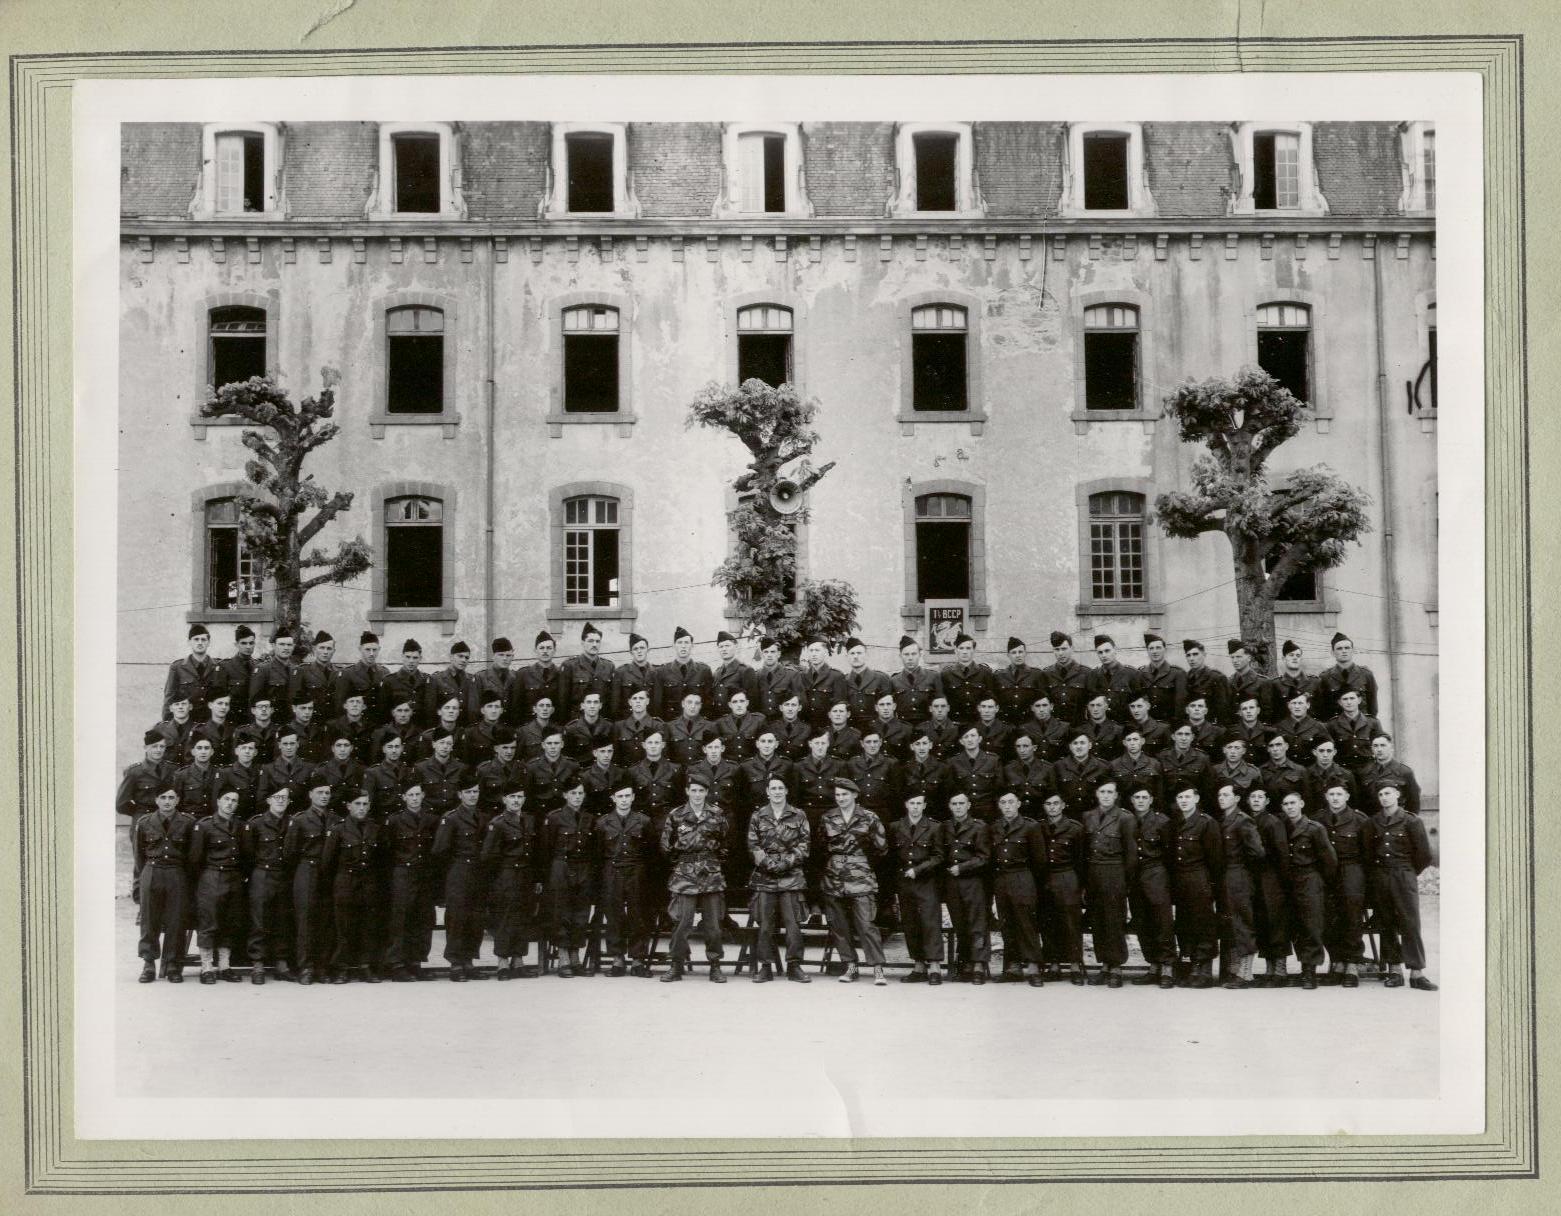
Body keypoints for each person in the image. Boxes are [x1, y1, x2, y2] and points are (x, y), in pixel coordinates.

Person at [817, 778, 889, 985]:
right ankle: (850, 966)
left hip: (861, 877)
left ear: (855, 795)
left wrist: (861, 861)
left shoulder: (869, 817)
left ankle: (877, 968)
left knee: (866, 924)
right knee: (839, 926)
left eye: (845, 794)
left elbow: (881, 848)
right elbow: (822, 845)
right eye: (838, 795)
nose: (841, 798)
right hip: (834, 877)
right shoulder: (827, 817)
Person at [659, 774, 729, 982]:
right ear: (687, 791)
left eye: (701, 791)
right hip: (684, 873)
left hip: (711, 873)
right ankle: (676, 964)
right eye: (694, 790)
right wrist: (682, 863)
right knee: (682, 921)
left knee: (714, 924)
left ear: (707, 792)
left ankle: (715, 965)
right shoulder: (676, 815)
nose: (697, 795)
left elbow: (726, 844)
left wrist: (712, 861)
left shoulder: (717, 814)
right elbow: (666, 846)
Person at [1370, 784, 1437, 990]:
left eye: (1388, 793)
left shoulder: (1411, 821)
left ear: (1397, 795)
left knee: (1410, 922)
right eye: (1380, 794)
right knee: (1387, 922)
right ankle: (1394, 971)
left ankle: (1417, 972)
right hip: (1382, 876)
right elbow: (1368, 853)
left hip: (1404, 874)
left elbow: (1424, 854)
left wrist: (1408, 872)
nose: (1384, 797)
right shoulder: (1373, 823)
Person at [746, 775, 812, 983]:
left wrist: (785, 863)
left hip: (791, 877)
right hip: (765, 877)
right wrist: (768, 864)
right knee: (765, 924)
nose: (776, 792)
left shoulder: (799, 815)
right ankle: (766, 966)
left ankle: (794, 965)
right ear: (767, 792)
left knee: (793, 924)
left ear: (786, 791)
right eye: (772, 788)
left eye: (780, 788)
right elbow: (753, 845)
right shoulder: (758, 816)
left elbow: (804, 845)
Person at [131, 782, 196, 983]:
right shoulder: (144, 822)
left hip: (177, 874)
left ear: (177, 800)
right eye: (163, 798)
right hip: (152, 871)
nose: (167, 802)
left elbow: (192, 856)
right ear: (156, 800)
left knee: (176, 920)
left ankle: (173, 965)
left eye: (171, 798)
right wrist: (143, 879)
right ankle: (148, 963)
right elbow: (138, 855)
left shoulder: (188, 822)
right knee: (150, 919)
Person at [595, 779, 657, 978]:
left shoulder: (644, 821)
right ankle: (617, 959)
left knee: (638, 914)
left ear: (633, 797)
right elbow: (597, 854)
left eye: (627, 796)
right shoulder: (603, 822)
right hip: (611, 871)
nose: (623, 800)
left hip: (636, 871)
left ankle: (638, 959)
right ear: (613, 798)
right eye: (620, 796)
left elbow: (652, 851)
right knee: (614, 915)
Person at [1277, 790, 1339, 989]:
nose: (1290, 807)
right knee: (1294, 925)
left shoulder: (1314, 828)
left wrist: (1319, 882)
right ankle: (1304, 965)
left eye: (1293, 803)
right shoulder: (1280, 827)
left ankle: (1309, 971)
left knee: (1311, 925)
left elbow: (1329, 860)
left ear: (1302, 804)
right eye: (1286, 804)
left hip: (1309, 879)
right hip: (1288, 880)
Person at [322, 788, 385, 983]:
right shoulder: (338, 829)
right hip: (345, 883)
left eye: (365, 804)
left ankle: (365, 966)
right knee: (344, 927)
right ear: (348, 806)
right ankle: (341, 968)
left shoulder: (375, 828)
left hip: (368, 883)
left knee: (368, 926)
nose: (361, 808)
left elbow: (382, 861)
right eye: (357, 804)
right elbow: (327, 862)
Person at [1318, 780, 1376, 988]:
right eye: (1331, 794)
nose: (1335, 798)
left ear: (1347, 797)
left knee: (1352, 915)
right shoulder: (1318, 819)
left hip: (1351, 869)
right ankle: (1337, 962)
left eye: (1339, 794)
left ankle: (1352, 963)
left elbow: (1369, 853)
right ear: (1326, 797)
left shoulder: (1360, 820)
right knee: (1327, 914)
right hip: (1326, 872)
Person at [482, 781, 542, 980]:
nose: (516, 801)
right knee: (505, 917)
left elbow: (535, 853)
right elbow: (488, 856)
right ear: (504, 799)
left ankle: (519, 960)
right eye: (512, 797)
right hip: (505, 875)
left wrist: (537, 879)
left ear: (524, 799)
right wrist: (496, 880)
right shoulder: (497, 823)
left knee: (524, 915)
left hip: (526, 874)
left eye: (519, 797)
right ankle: (502, 962)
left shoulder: (529, 820)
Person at [383, 782, 442, 981]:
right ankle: (397, 964)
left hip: (425, 875)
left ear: (423, 795)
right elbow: (387, 850)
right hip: (403, 874)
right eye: (411, 794)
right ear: (404, 797)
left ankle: (416, 962)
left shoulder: (432, 820)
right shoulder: (395, 820)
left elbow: (436, 849)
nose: (415, 798)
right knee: (401, 918)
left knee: (423, 917)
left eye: (418, 794)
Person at [189, 783, 248, 984]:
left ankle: (224, 966)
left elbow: (246, 856)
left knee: (229, 922)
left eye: (234, 801)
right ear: (218, 802)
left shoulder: (241, 826)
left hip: (234, 878)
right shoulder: (205, 825)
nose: (231, 804)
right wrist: (205, 880)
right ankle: (206, 968)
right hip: (212, 877)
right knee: (208, 922)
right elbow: (195, 859)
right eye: (227, 800)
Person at [1167, 783, 1224, 988]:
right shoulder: (1174, 823)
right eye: (1180, 797)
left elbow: (1215, 859)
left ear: (1196, 799)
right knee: (1184, 923)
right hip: (1181, 879)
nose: (1183, 801)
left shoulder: (1207, 823)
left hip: (1200, 878)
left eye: (1187, 797)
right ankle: (1190, 964)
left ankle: (1204, 968)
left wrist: (1212, 886)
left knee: (1203, 923)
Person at [1082, 779, 1137, 987]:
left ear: (1116, 795)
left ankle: (1116, 967)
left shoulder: (1125, 818)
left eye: (1110, 792)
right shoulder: (1088, 817)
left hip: (1114, 872)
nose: (1105, 795)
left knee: (1114, 920)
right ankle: (1104, 964)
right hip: (1093, 872)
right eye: (1102, 791)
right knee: (1098, 920)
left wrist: (1125, 881)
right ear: (1097, 794)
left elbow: (1131, 854)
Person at [434, 777, 489, 981]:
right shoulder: (451, 818)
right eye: (468, 792)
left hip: (479, 871)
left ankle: (469, 960)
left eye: (475, 792)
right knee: (457, 916)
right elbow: (440, 850)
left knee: (476, 917)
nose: (472, 795)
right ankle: (456, 963)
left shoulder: (484, 817)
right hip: (458, 871)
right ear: (459, 795)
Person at [284, 777, 338, 984]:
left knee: (326, 920)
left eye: (327, 793)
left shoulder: (335, 819)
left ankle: (322, 967)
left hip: (329, 872)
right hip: (307, 869)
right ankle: (305, 967)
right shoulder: (299, 820)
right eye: (320, 792)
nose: (324, 796)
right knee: (305, 921)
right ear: (310, 795)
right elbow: (290, 852)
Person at [989, 790, 1045, 986]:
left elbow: (1039, 861)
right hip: (1001, 878)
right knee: (1007, 923)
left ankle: (1033, 968)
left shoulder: (1030, 826)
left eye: (1011, 802)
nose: (1007, 806)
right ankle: (1012, 967)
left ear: (1019, 804)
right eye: (1003, 802)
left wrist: (1030, 883)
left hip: (1022, 877)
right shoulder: (995, 827)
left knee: (1026, 923)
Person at [890, 792, 946, 984]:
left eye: (918, 803)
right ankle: (919, 966)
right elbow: (893, 855)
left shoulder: (935, 827)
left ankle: (935, 967)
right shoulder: (896, 826)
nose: (915, 807)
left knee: (930, 922)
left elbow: (939, 856)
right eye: (911, 803)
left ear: (924, 806)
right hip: (904, 881)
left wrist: (919, 869)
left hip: (926, 881)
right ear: (906, 804)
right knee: (910, 922)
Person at [543, 777, 596, 977]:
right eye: (573, 793)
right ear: (565, 795)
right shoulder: (554, 817)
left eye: (580, 793)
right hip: (561, 866)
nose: (577, 797)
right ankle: (563, 956)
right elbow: (545, 849)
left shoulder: (589, 818)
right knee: (561, 911)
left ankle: (576, 957)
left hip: (583, 867)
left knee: (581, 913)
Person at [1215, 781, 1266, 989]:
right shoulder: (1223, 819)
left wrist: (1245, 871)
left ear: (1236, 799)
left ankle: (1246, 973)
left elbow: (1258, 852)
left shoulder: (1243, 821)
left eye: (1226, 795)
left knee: (1242, 922)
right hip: (1226, 875)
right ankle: (1236, 969)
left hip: (1238, 875)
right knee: (1230, 922)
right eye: (1219, 795)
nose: (1221, 798)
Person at [1126, 783, 1176, 988]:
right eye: (1136, 797)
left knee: (1162, 920)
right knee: (1141, 920)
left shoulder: (1162, 821)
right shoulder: (1127, 820)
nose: (1140, 801)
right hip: (1134, 874)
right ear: (1131, 800)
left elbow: (1170, 853)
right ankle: (1153, 965)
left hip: (1155, 872)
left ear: (1151, 800)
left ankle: (1167, 967)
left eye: (1144, 797)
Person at [242, 786, 293, 983]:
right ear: (269, 800)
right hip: (262, 873)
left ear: (289, 802)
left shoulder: (293, 822)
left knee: (283, 919)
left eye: (284, 798)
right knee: (259, 920)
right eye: (277, 797)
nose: (280, 801)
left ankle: (281, 963)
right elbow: (247, 853)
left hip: (285, 874)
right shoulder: (256, 823)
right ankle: (258, 965)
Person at [1037, 792, 1087, 985]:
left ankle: (1075, 964)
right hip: (1045, 877)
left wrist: (1080, 885)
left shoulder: (1075, 828)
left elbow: (1081, 859)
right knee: (1048, 921)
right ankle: (1054, 963)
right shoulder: (1038, 827)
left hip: (1067, 876)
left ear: (1063, 805)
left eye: (1056, 803)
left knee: (1070, 921)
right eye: (1048, 803)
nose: (1052, 807)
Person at [1245, 786, 1293, 988]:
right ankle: (1269, 969)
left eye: (1260, 797)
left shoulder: (1273, 822)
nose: (1256, 800)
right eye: (1253, 797)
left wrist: (1283, 882)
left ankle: (1280, 970)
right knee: (1262, 923)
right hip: (1253, 878)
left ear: (1266, 802)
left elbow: (1282, 854)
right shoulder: (1246, 821)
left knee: (1276, 923)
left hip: (1272, 879)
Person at [942, 792, 991, 983]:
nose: (958, 807)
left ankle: (978, 965)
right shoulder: (945, 827)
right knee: (960, 922)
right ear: (949, 806)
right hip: (952, 883)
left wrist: (962, 867)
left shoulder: (979, 827)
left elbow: (984, 857)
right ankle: (965, 964)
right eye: (954, 803)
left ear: (969, 805)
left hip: (973, 881)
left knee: (977, 923)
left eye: (962, 803)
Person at [1314, 631, 1381, 721]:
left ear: (1353, 650)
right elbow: (1321, 709)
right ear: (1332, 652)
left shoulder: (1366, 674)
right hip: (1335, 729)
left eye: (1347, 648)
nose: (1344, 651)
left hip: (1361, 727)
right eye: (1339, 648)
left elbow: (1373, 707)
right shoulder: (1325, 677)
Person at [116, 727, 176, 827]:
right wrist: (139, 813)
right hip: (144, 822)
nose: (158, 750)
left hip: (168, 821)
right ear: (146, 748)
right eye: (154, 746)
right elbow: (121, 804)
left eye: (161, 746)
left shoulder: (173, 769)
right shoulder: (134, 772)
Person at [653, 626, 715, 721]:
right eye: (680, 642)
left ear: (692, 645)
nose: (683, 646)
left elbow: (709, 702)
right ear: (674, 646)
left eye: (686, 642)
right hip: (671, 725)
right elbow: (657, 704)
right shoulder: (662, 672)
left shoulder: (704, 670)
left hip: (696, 726)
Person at [946, 723, 1002, 821]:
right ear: (961, 741)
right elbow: (951, 788)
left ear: (979, 739)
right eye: (966, 737)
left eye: (973, 736)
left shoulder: (993, 760)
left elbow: (999, 788)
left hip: (988, 811)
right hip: (964, 812)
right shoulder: (953, 762)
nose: (970, 739)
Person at [1359, 732, 1423, 817]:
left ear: (1391, 748)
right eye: (1375, 746)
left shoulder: (1405, 772)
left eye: (1383, 745)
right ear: (1372, 749)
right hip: (1373, 822)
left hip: (1397, 822)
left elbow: (1414, 803)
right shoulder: (1365, 772)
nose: (1379, 749)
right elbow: (1361, 802)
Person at [1051, 732, 1113, 820]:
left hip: (1094, 817)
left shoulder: (1102, 767)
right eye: (1075, 743)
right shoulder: (1058, 766)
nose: (1079, 746)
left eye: (1082, 743)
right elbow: (1055, 792)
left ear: (1090, 745)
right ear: (1070, 747)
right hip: (1067, 817)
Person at [564, 622, 617, 722]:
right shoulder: (570, 666)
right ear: (583, 643)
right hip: (577, 722)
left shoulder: (609, 666)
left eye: (597, 641)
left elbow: (612, 700)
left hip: (603, 722)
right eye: (590, 641)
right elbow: (563, 701)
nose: (594, 644)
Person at [513, 630, 569, 724]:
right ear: (535, 650)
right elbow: (516, 706)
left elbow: (564, 705)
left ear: (554, 651)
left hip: (554, 727)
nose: (545, 651)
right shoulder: (523, 674)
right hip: (529, 727)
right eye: (542, 648)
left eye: (549, 648)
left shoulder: (561, 674)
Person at [164, 622, 217, 720]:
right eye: (196, 639)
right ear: (189, 642)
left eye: (203, 639)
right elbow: (169, 698)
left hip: (210, 723)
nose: (200, 642)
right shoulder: (177, 667)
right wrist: (167, 725)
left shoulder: (217, 667)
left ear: (208, 642)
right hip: (187, 722)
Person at [1325, 688, 1383, 774]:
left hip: (1368, 772)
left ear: (1359, 700)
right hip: (1342, 772)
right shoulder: (1332, 724)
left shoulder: (1373, 723)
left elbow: (1380, 748)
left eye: (1352, 698)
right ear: (1340, 702)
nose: (1349, 702)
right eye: (1345, 699)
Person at [941, 634, 994, 724]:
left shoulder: (985, 673)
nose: (964, 652)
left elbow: (991, 699)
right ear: (955, 650)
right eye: (961, 648)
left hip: (978, 724)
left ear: (974, 651)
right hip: (955, 724)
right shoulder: (946, 674)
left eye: (968, 648)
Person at [1088, 634, 1141, 724]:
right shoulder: (1093, 675)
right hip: (1102, 730)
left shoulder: (1131, 674)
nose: (1104, 655)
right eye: (1100, 652)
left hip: (1125, 728)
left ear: (1115, 650)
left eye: (1107, 651)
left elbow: (1139, 704)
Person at [993, 637, 1047, 726]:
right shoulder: (999, 676)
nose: (1018, 655)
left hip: (1030, 725)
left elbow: (1043, 703)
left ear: (1025, 653)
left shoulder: (1036, 675)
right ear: (1008, 655)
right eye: (1014, 652)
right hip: (1005, 725)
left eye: (1020, 652)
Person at [337, 631, 388, 723]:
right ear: (360, 649)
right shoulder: (348, 673)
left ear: (379, 649)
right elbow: (341, 704)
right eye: (368, 649)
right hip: (357, 724)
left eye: (374, 650)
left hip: (379, 724)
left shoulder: (384, 672)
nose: (371, 653)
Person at [890, 635, 943, 724]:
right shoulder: (893, 680)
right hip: (903, 728)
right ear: (900, 656)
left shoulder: (933, 677)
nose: (910, 658)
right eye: (906, 654)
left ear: (920, 655)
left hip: (928, 727)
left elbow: (941, 705)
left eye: (914, 654)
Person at [248, 628, 299, 720]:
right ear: (274, 646)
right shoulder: (263, 669)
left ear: (293, 646)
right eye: (282, 644)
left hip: (292, 723)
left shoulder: (296, 669)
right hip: (272, 723)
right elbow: (254, 702)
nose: (286, 648)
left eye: (289, 645)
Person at [381, 639, 430, 732]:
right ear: (402, 657)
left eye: (415, 658)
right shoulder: (390, 681)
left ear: (420, 658)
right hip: (396, 732)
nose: (411, 661)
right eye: (408, 657)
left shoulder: (427, 680)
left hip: (420, 731)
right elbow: (384, 711)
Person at [843, 637, 894, 727]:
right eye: (852, 653)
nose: (855, 656)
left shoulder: (881, 678)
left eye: (859, 653)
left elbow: (890, 708)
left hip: (876, 730)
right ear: (847, 656)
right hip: (852, 729)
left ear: (866, 655)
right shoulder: (844, 681)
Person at [213, 624, 258, 725]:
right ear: (236, 645)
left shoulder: (258, 667)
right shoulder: (225, 667)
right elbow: (219, 698)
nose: (248, 646)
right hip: (233, 721)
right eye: (243, 643)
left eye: (251, 643)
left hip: (254, 721)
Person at [708, 629, 758, 720]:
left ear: (735, 646)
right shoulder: (717, 673)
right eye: (721, 646)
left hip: (738, 721)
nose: (724, 649)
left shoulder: (746, 671)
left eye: (727, 645)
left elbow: (752, 703)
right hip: (719, 721)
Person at [798, 638, 848, 727]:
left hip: (826, 727)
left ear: (825, 652)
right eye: (811, 651)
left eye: (817, 650)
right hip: (805, 727)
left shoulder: (836, 676)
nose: (814, 654)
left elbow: (839, 706)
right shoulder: (802, 676)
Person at [612, 687, 667, 768]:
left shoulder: (658, 725)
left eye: (641, 698)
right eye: (634, 698)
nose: (638, 701)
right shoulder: (619, 726)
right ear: (629, 702)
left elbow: (662, 756)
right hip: (626, 773)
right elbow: (615, 756)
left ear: (647, 701)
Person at [898, 729, 949, 817]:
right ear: (911, 747)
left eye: (925, 743)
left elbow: (946, 796)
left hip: (936, 816)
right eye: (917, 744)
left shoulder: (942, 768)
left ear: (930, 745)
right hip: (911, 816)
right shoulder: (903, 769)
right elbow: (900, 797)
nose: (921, 748)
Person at [1139, 633, 1187, 724]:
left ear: (1165, 650)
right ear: (1147, 651)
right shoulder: (1141, 673)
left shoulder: (1177, 673)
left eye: (1158, 648)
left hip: (1169, 724)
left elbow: (1180, 704)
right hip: (1148, 725)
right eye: (1151, 648)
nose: (1155, 651)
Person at [753, 635, 804, 721]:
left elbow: (801, 702)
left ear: (779, 654)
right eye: (766, 652)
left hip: (783, 724)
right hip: (762, 723)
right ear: (762, 654)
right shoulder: (756, 675)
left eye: (773, 652)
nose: (769, 655)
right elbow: (753, 704)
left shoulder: (791, 674)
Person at [425, 639, 473, 729]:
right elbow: (430, 711)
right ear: (451, 657)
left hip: (464, 731)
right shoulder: (436, 679)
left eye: (467, 657)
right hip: (443, 730)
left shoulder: (471, 680)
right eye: (460, 656)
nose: (463, 660)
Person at [1182, 639, 1231, 726]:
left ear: (1204, 655)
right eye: (1188, 655)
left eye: (1195, 654)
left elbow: (1223, 709)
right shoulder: (1184, 678)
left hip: (1211, 728)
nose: (1191, 658)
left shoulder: (1216, 678)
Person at [1276, 689, 1332, 764]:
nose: (1297, 706)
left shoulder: (1318, 726)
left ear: (1308, 705)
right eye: (1293, 703)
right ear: (1288, 705)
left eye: (1300, 703)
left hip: (1309, 768)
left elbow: (1329, 749)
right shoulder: (1279, 726)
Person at [1305, 738, 1361, 812]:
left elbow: (1353, 803)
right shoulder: (1306, 774)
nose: (1325, 755)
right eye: (1321, 751)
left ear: (1334, 752)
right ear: (1314, 752)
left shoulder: (1346, 775)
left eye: (1329, 751)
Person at [611, 632, 659, 719]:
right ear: (631, 652)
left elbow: (657, 703)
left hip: (649, 722)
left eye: (642, 648)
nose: (639, 651)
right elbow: (615, 704)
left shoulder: (655, 672)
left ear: (648, 650)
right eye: (635, 649)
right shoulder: (621, 672)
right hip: (627, 721)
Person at [1226, 640, 1273, 724]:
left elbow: (1268, 714)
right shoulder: (1229, 682)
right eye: (1232, 657)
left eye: (1238, 657)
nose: (1235, 660)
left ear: (1249, 658)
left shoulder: (1263, 682)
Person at [714, 688, 766, 764]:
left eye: (742, 701)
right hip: (729, 766)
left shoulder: (758, 721)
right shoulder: (720, 723)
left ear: (747, 703)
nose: (739, 705)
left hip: (752, 766)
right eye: (735, 702)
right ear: (730, 705)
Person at [563, 691, 615, 763]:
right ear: (582, 706)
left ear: (600, 706)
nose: (592, 706)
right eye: (589, 702)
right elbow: (568, 757)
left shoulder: (609, 726)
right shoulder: (571, 728)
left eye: (595, 702)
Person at [1259, 733, 1310, 806]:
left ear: (1286, 746)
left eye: (1278, 744)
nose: (1275, 749)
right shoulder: (1261, 771)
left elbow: (1307, 799)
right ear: (1268, 749)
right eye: (1271, 746)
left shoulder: (1300, 770)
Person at [667, 692, 715, 767]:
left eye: (697, 703)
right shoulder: (670, 726)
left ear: (700, 706)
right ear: (683, 704)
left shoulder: (710, 726)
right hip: (678, 772)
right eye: (689, 702)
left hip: (701, 772)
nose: (693, 706)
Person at [1271, 639, 1319, 710]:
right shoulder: (1276, 684)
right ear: (1284, 659)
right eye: (1291, 655)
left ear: (1301, 659)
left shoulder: (1315, 682)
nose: (1295, 658)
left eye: (1298, 655)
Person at [1076, 694, 1125, 762]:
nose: (1095, 709)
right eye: (1092, 705)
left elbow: (1121, 757)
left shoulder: (1118, 729)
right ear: (1087, 707)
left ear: (1106, 707)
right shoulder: (1079, 730)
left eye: (1099, 705)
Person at [768, 691, 813, 762]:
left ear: (799, 708)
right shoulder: (771, 727)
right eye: (787, 704)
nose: (790, 709)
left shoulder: (807, 729)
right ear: (781, 708)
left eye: (793, 705)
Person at [915, 695, 962, 760]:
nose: (939, 710)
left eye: (943, 706)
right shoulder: (921, 728)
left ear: (948, 708)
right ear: (930, 709)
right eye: (936, 706)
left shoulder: (958, 729)